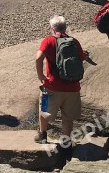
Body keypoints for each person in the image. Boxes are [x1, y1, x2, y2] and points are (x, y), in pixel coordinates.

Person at [34, 15, 87, 146]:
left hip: (52, 86)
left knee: (44, 109)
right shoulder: (74, 41)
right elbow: (81, 58)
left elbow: (38, 58)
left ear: (52, 28)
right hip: (72, 87)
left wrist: (41, 76)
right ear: (65, 27)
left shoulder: (48, 41)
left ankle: (42, 135)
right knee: (68, 117)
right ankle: (66, 142)